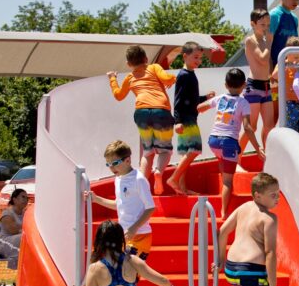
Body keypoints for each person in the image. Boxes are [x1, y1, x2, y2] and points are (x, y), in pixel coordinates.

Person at [92, 140, 157, 286]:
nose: (112, 168)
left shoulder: (138, 179)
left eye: (115, 163)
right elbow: (120, 205)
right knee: (124, 277)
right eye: (108, 164)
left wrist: (135, 227)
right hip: (126, 235)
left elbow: (151, 207)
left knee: (125, 274)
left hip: (140, 236)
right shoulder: (118, 179)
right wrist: (97, 199)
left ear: (128, 159)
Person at [107, 45, 176, 195]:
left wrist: (112, 78)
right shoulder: (153, 67)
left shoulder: (130, 77)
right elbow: (167, 78)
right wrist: (172, 78)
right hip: (161, 110)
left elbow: (118, 95)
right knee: (165, 150)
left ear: (128, 64)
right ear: (145, 59)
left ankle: (143, 186)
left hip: (141, 112)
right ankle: (158, 172)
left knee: (148, 151)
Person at [198, 68, 265, 220]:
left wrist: (208, 100)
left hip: (214, 141)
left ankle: (224, 201)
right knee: (228, 181)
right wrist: (257, 148)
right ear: (243, 86)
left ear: (225, 84)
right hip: (229, 142)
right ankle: (223, 212)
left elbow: (200, 108)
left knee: (223, 170)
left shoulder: (220, 98)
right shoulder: (243, 102)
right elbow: (248, 128)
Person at [167, 41, 215, 195]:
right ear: (185, 56)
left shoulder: (189, 75)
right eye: (195, 57)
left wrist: (204, 98)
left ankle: (181, 189)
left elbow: (190, 99)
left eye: (200, 58)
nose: (198, 61)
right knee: (194, 149)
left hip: (188, 117)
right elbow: (179, 100)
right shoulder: (184, 75)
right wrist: (177, 121)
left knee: (184, 153)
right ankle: (174, 178)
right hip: (186, 120)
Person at [244, 9, 275, 149]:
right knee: (252, 127)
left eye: (268, 25)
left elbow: (267, 63)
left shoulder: (264, 41)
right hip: (254, 87)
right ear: (253, 24)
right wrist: (269, 42)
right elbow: (263, 59)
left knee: (269, 127)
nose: (266, 28)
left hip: (266, 86)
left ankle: (269, 158)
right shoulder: (250, 41)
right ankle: (236, 159)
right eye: (262, 24)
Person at [269, 0, 299, 67]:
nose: (296, 0)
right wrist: (270, 75)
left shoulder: (294, 18)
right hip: (276, 71)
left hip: (291, 71)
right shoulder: (273, 15)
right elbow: (266, 47)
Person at [0, 188, 28, 270]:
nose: (26, 200)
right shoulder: (7, 213)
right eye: (23, 197)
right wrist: (26, 228)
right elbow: (12, 230)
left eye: (27, 198)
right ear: (14, 199)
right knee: (25, 237)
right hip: (6, 243)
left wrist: (22, 228)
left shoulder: (26, 214)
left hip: (19, 242)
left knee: (27, 238)